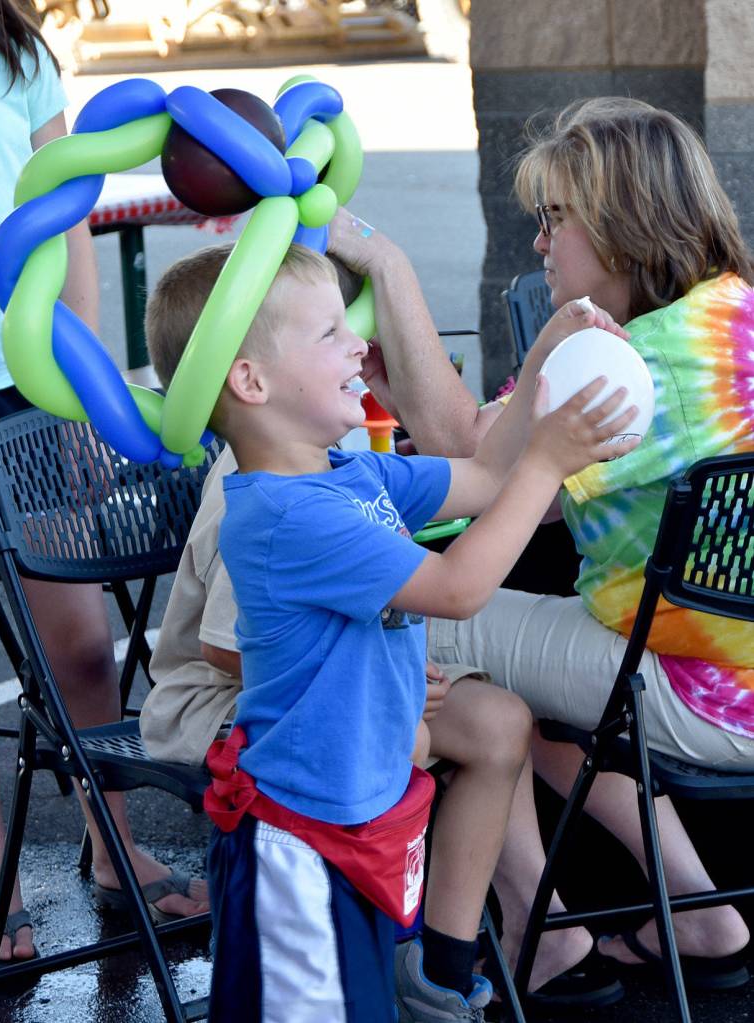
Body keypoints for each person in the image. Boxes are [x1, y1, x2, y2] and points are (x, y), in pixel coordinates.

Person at [143, 234, 637, 1021]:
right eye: (330, 333)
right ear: (251, 379)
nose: (359, 344)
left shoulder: (349, 471)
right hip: (303, 840)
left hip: (362, 815)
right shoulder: (282, 513)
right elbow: (457, 586)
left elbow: (480, 477)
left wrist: (545, 352)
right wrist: (548, 461)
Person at [336, 99, 754, 990]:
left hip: (695, 691)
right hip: (715, 669)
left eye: (557, 218)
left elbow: (467, 457)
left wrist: (385, 261)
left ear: (623, 223)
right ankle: (700, 912)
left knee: (420, 630)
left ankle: (539, 924)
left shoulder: (641, 362)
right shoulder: (731, 318)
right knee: (526, 671)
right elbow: (521, 466)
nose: (539, 243)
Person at [0, 0, 207, 975]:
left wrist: (81, 388)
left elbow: (68, 222)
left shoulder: (12, 46)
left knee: (83, 649)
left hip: (26, 380)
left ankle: (115, 848)